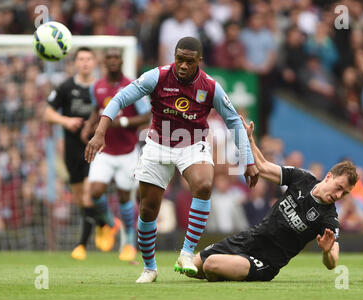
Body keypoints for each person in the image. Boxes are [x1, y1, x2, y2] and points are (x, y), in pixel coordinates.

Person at [85, 37, 259, 283]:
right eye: (180, 60)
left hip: (193, 144)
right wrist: (100, 132)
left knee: (204, 185)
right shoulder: (156, 76)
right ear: (174, 57)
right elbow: (120, 99)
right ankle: (149, 268)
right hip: (157, 145)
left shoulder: (210, 86)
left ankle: (186, 254)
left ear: (199, 61)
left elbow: (233, 121)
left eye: (189, 61)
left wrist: (249, 161)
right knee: (147, 210)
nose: (184, 65)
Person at [188, 116, 358, 282]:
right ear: (329, 177)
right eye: (339, 188)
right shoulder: (303, 179)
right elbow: (262, 168)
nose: (338, 195)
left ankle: (223, 272)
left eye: (344, 194)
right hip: (250, 239)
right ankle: (225, 272)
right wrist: (249, 139)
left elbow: (332, 260)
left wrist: (328, 253)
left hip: (265, 261)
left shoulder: (328, 217)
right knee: (192, 268)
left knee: (211, 264)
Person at [44, 47, 118, 260]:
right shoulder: (66, 87)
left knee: (87, 195)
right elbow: (47, 113)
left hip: (95, 149)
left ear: (94, 63)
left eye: (88, 59)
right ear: (75, 63)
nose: (85, 63)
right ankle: (104, 223)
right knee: (80, 198)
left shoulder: (101, 88)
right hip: (72, 150)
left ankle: (81, 245)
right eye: (81, 59)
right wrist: (66, 121)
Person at [81, 48, 152, 260]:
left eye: (116, 58)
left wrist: (121, 121)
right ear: (104, 61)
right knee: (94, 192)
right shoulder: (97, 86)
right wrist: (90, 126)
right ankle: (112, 224)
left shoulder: (133, 87)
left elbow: (147, 116)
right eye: (109, 57)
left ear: (121, 61)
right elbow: (96, 110)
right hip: (105, 150)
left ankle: (129, 241)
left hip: (127, 151)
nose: (113, 61)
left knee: (124, 197)